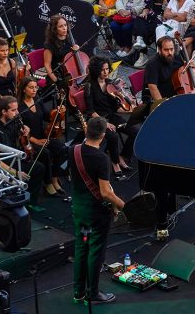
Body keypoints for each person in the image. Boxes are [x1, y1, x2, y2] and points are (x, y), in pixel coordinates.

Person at [70, 117, 125, 305]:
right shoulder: (101, 158)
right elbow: (104, 192)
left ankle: (78, 292)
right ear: (102, 136)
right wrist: (122, 204)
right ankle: (92, 294)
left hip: (79, 209)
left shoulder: (74, 150)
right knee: (95, 252)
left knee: (82, 248)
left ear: (86, 131)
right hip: (96, 214)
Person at [0, 96, 48, 210]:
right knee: (38, 168)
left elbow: (22, 138)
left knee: (43, 157)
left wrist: (26, 131)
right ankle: (27, 201)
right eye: (13, 110)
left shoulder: (13, 121)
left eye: (17, 109)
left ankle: (31, 199)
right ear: (4, 112)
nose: (17, 112)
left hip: (16, 155)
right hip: (5, 163)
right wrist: (15, 172)